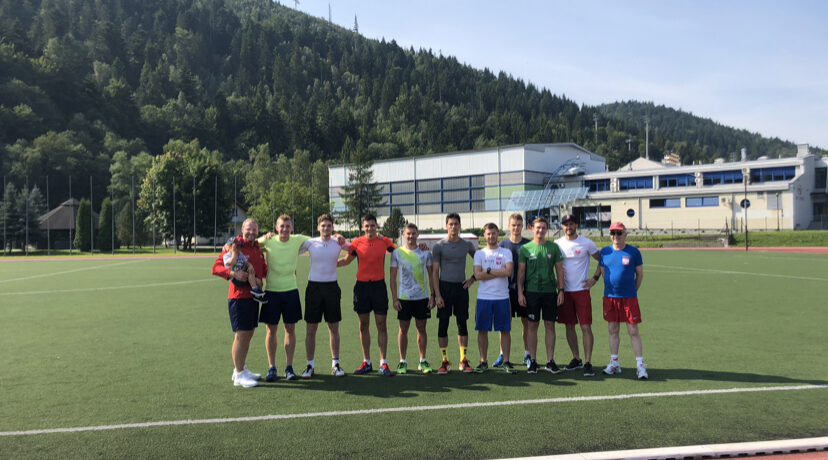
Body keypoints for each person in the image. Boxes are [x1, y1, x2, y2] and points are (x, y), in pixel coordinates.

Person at [257, 215, 345, 381]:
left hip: (293, 290)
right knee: (273, 330)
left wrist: (338, 236)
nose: (284, 229)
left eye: (287, 226)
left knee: (293, 329)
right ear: (276, 227)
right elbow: (250, 243)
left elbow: (345, 245)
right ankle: (274, 367)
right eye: (282, 226)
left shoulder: (301, 239)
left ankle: (292, 368)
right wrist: (231, 246)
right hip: (274, 291)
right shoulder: (269, 240)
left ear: (292, 228)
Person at [337, 213, 396, 376]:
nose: (370, 228)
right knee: (363, 325)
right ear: (363, 227)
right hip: (361, 288)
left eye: (372, 225)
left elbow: (400, 254)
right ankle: (367, 362)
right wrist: (328, 264)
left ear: (377, 226)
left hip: (379, 287)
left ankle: (383, 363)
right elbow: (347, 260)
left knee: (381, 325)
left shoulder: (385, 242)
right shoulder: (357, 243)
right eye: (367, 226)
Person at [211, 218, 268, 388]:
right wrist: (233, 274)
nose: (251, 232)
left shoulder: (257, 248)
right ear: (242, 229)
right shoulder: (234, 246)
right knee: (241, 335)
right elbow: (216, 268)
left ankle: (241, 368)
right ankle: (239, 373)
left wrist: (260, 279)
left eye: (254, 229)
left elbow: (263, 270)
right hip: (239, 298)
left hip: (253, 297)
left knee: (248, 334)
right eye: (248, 229)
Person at [298, 214, 349, 378]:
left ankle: (335, 364)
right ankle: (310, 365)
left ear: (333, 227)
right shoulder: (310, 242)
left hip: (332, 288)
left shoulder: (338, 242)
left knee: (333, 327)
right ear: (318, 227)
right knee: (311, 328)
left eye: (329, 225)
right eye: (323, 225)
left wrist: (344, 258)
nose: (326, 228)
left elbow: (356, 250)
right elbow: (291, 250)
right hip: (314, 288)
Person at [597, 222, 648, 380]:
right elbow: (604, 273)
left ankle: (640, 365)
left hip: (629, 298)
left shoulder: (634, 252)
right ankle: (614, 363)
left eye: (619, 233)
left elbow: (639, 275)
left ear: (625, 234)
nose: (616, 236)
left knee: (633, 330)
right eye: (613, 233)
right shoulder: (605, 252)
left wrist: (632, 291)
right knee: (613, 329)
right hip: (610, 297)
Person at [554, 214, 601, 377]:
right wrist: (557, 282)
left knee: (585, 327)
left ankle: (588, 362)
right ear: (562, 226)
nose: (569, 227)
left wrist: (594, 279)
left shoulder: (586, 243)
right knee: (569, 326)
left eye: (572, 224)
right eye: (566, 224)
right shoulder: (557, 244)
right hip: (564, 292)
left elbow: (601, 260)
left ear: (577, 225)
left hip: (582, 291)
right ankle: (576, 358)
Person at [431, 213, 477, 374]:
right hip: (444, 288)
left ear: (460, 226)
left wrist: (472, 279)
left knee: (462, 323)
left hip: (461, 288)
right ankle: (445, 361)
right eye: (450, 224)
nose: (453, 227)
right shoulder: (439, 246)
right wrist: (437, 295)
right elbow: (435, 272)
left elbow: (481, 261)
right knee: (443, 324)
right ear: (446, 226)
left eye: (456, 224)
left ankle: (463, 360)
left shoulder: (467, 245)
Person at [517, 217, 564, 374]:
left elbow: (560, 271)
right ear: (532, 228)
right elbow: (521, 273)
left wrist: (561, 290)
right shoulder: (525, 248)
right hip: (531, 293)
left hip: (550, 292)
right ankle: (533, 361)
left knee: (550, 325)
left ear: (547, 229)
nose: (540, 230)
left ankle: (550, 361)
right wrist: (520, 293)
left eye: (543, 228)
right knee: (532, 326)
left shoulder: (553, 247)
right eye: (538, 227)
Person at [389, 223, 435, 374]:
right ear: (403, 235)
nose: (410, 236)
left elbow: (431, 275)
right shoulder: (397, 253)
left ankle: (422, 360)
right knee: (403, 329)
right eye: (408, 233)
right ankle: (402, 361)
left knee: (422, 328)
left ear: (417, 234)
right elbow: (392, 277)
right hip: (404, 298)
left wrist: (432, 295)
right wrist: (395, 299)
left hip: (422, 297)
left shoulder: (425, 253)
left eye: (413, 233)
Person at [472, 223, 517, 374]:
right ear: (484, 235)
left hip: (502, 297)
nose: (491, 236)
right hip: (484, 298)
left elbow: (508, 272)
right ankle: (483, 361)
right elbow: (478, 275)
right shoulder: (479, 254)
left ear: (498, 234)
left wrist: (488, 270)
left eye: (494, 233)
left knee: (504, 330)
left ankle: (506, 361)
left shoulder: (505, 252)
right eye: (488, 234)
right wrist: (499, 271)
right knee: (482, 330)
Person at [494, 213, 531, 368]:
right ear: (509, 226)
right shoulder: (502, 245)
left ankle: (527, 353)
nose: (516, 228)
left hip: (524, 290)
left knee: (527, 323)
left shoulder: (529, 245)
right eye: (513, 225)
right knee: (504, 324)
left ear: (523, 226)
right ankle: (502, 354)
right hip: (505, 291)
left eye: (519, 225)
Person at [223, 235, 266, 303]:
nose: (237, 250)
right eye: (236, 248)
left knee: (259, 282)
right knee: (251, 277)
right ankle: (254, 288)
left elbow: (246, 261)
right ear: (228, 247)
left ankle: (258, 296)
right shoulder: (227, 255)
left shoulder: (240, 254)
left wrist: (250, 265)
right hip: (237, 277)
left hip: (244, 273)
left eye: (239, 248)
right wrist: (234, 253)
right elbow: (232, 263)